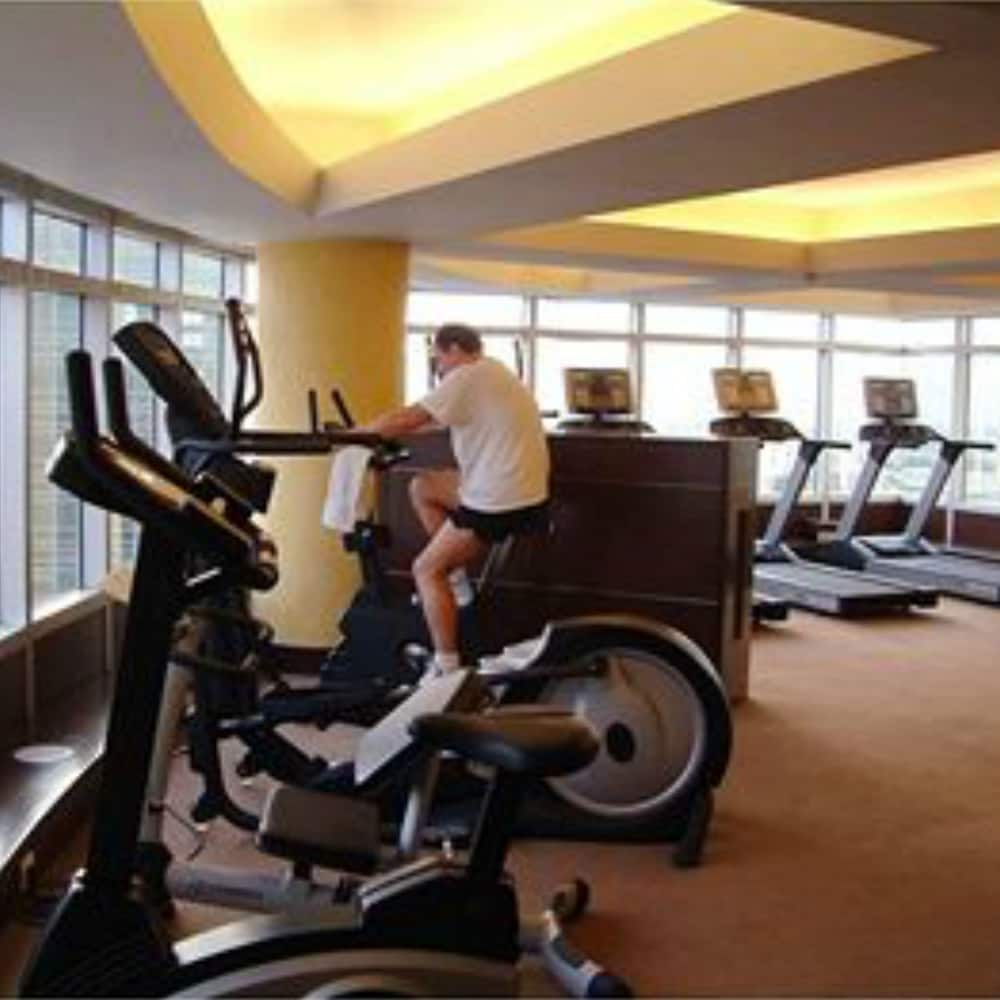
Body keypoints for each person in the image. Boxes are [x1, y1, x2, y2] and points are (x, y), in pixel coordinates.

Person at [364, 323, 550, 676]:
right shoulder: (495, 372)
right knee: (423, 487)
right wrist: (387, 431)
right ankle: (457, 583)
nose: (439, 368)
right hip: (524, 494)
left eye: (438, 359)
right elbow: (432, 421)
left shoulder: (466, 376)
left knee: (425, 569)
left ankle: (446, 666)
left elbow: (409, 416)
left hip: (497, 500)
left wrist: (355, 435)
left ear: (452, 350)